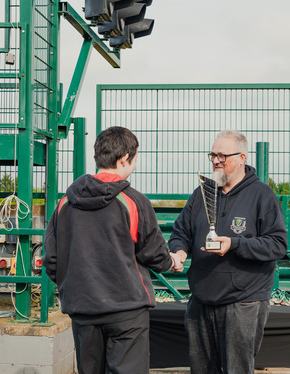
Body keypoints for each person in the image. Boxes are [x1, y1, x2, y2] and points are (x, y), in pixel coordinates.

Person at [42, 126, 184, 374]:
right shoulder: (134, 201)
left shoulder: (65, 202)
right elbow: (153, 254)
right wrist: (172, 261)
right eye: (135, 159)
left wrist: (75, 287)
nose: (135, 165)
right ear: (123, 159)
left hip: (82, 309)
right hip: (126, 311)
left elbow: (52, 260)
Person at [169, 130, 288, 374]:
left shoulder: (262, 195)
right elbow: (181, 232)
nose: (215, 161)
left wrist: (234, 244)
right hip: (200, 301)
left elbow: (277, 244)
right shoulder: (202, 193)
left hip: (242, 303)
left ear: (242, 157)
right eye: (212, 155)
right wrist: (179, 252)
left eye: (222, 156)